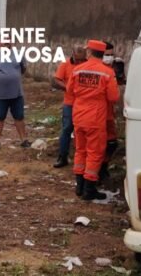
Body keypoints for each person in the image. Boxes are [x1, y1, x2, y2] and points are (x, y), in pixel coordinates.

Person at [66, 40, 119, 200]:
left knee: (80, 150)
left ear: (89, 52)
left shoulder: (77, 70)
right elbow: (113, 97)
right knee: (95, 153)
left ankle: (79, 186)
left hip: (78, 116)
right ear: (102, 54)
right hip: (95, 118)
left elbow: (69, 90)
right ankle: (89, 189)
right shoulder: (107, 72)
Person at [0, 43, 29, 151]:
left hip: (16, 93)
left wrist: (13, 76)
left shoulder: (18, 54)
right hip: (0, 94)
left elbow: (23, 68)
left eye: (8, 39)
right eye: (4, 39)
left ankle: (24, 140)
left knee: (19, 117)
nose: (6, 42)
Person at [51, 45, 86, 168]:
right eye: (78, 59)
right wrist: (67, 87)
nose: (80, 62)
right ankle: (62, 156)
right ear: (72, 54)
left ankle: (81, 158)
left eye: (82, 59)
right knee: (67, 129)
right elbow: (56, 80)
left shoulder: (87, 65)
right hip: (70, 104)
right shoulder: (65, 65)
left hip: (84, 104)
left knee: (81, 131)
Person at [99, 41, 120, 182]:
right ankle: (98, 171)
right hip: (98, 114)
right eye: (107, 55)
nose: (110, 57)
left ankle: (103, 167)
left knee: (111, 143)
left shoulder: (114, 68)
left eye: (111, 55)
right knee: (99, 145)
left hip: (109, 113)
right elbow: (113, 96)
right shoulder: (101, 71)